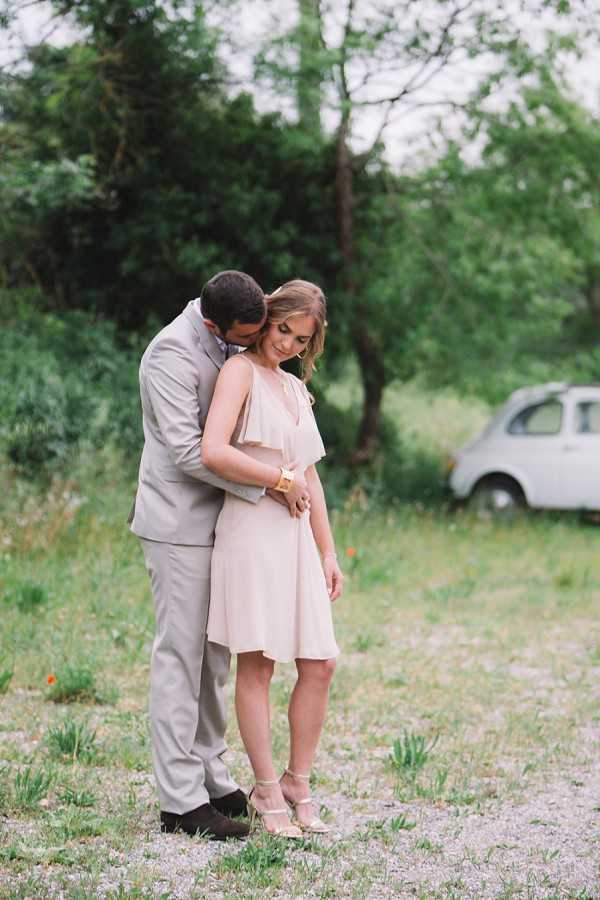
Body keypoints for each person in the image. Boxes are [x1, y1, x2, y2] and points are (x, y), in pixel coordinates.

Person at [129, 270, 312, 841]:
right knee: (180, 657)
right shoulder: (169, 355)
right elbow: (188, 451)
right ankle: (179, 802)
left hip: (222, 524)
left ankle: (211, 774)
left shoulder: (232, 327)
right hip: (178, 524)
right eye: (241, 338)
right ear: (214, 325)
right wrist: (272, 482)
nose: (249, 347)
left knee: (214, 659)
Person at [202, 279, 344, 839]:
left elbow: (310, 474)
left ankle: (296, 780)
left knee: (320, 662)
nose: (286, 344)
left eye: (300, 338)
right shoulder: (238, 372)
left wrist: (328, 550)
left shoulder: (294, 389)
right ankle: (263, 787)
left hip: (295, 541)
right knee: (258, 663)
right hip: (252, 529)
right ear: (267, 317)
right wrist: (276, 478)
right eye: (283, 328)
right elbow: (215, 451)